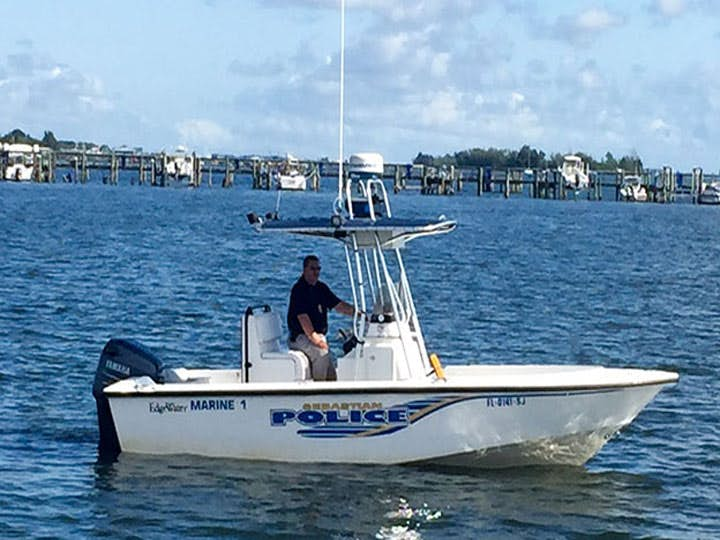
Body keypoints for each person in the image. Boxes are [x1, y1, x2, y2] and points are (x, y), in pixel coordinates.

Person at [287, 255, 356, 381]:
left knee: (331, 372)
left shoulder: (321, 288)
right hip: (301, 337)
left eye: (318, 269)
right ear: (304, 270)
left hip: (317, 335)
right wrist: (316, 340)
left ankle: (331, 391)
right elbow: (303, 318)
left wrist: (357, 314)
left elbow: (338, 305)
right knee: (320, 353)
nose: (316, 272)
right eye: (312, 269)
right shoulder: (299, 290)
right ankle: (317, 391)